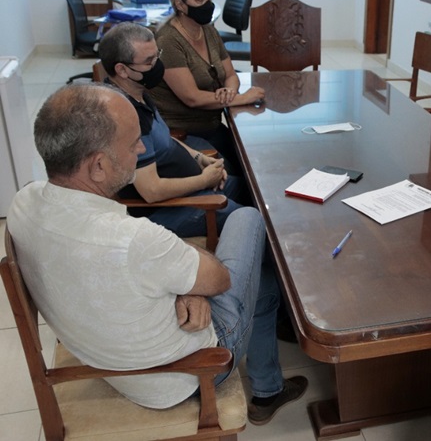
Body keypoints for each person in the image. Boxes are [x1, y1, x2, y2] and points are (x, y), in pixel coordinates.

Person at [7, 84, 307, 425]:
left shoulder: (23, 202)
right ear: (99, 166)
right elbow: (220, 279)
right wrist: (192, 284)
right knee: (248, 217)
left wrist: (182, 280)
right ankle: (269, 379)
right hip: (186, 374)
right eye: (133, 141)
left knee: (262, 282)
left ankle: (268, 384)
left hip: (105, 356)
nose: (140, 148)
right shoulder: (133, 240)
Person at [97, 22, 248, 237]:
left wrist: (198, 158)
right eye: (149, 62)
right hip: (168, 209)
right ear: (121, 69)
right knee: (248, 219)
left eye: (156, 55)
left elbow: (165, 139)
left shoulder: (139, 92)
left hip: (191, 187)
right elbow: (151, 191)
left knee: (250, 190)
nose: (158, 65)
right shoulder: (126, 117)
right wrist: (204, 180)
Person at [151, 0, 264, 174]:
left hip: (211, 123)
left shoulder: (208, 30)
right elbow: (192, 98)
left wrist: (229, 92)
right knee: (236, 175)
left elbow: (230, 74)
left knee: (253, 162)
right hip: (183, 131)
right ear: (180, 4)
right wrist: (241, 98)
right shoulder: (168, 41)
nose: (207, 4)